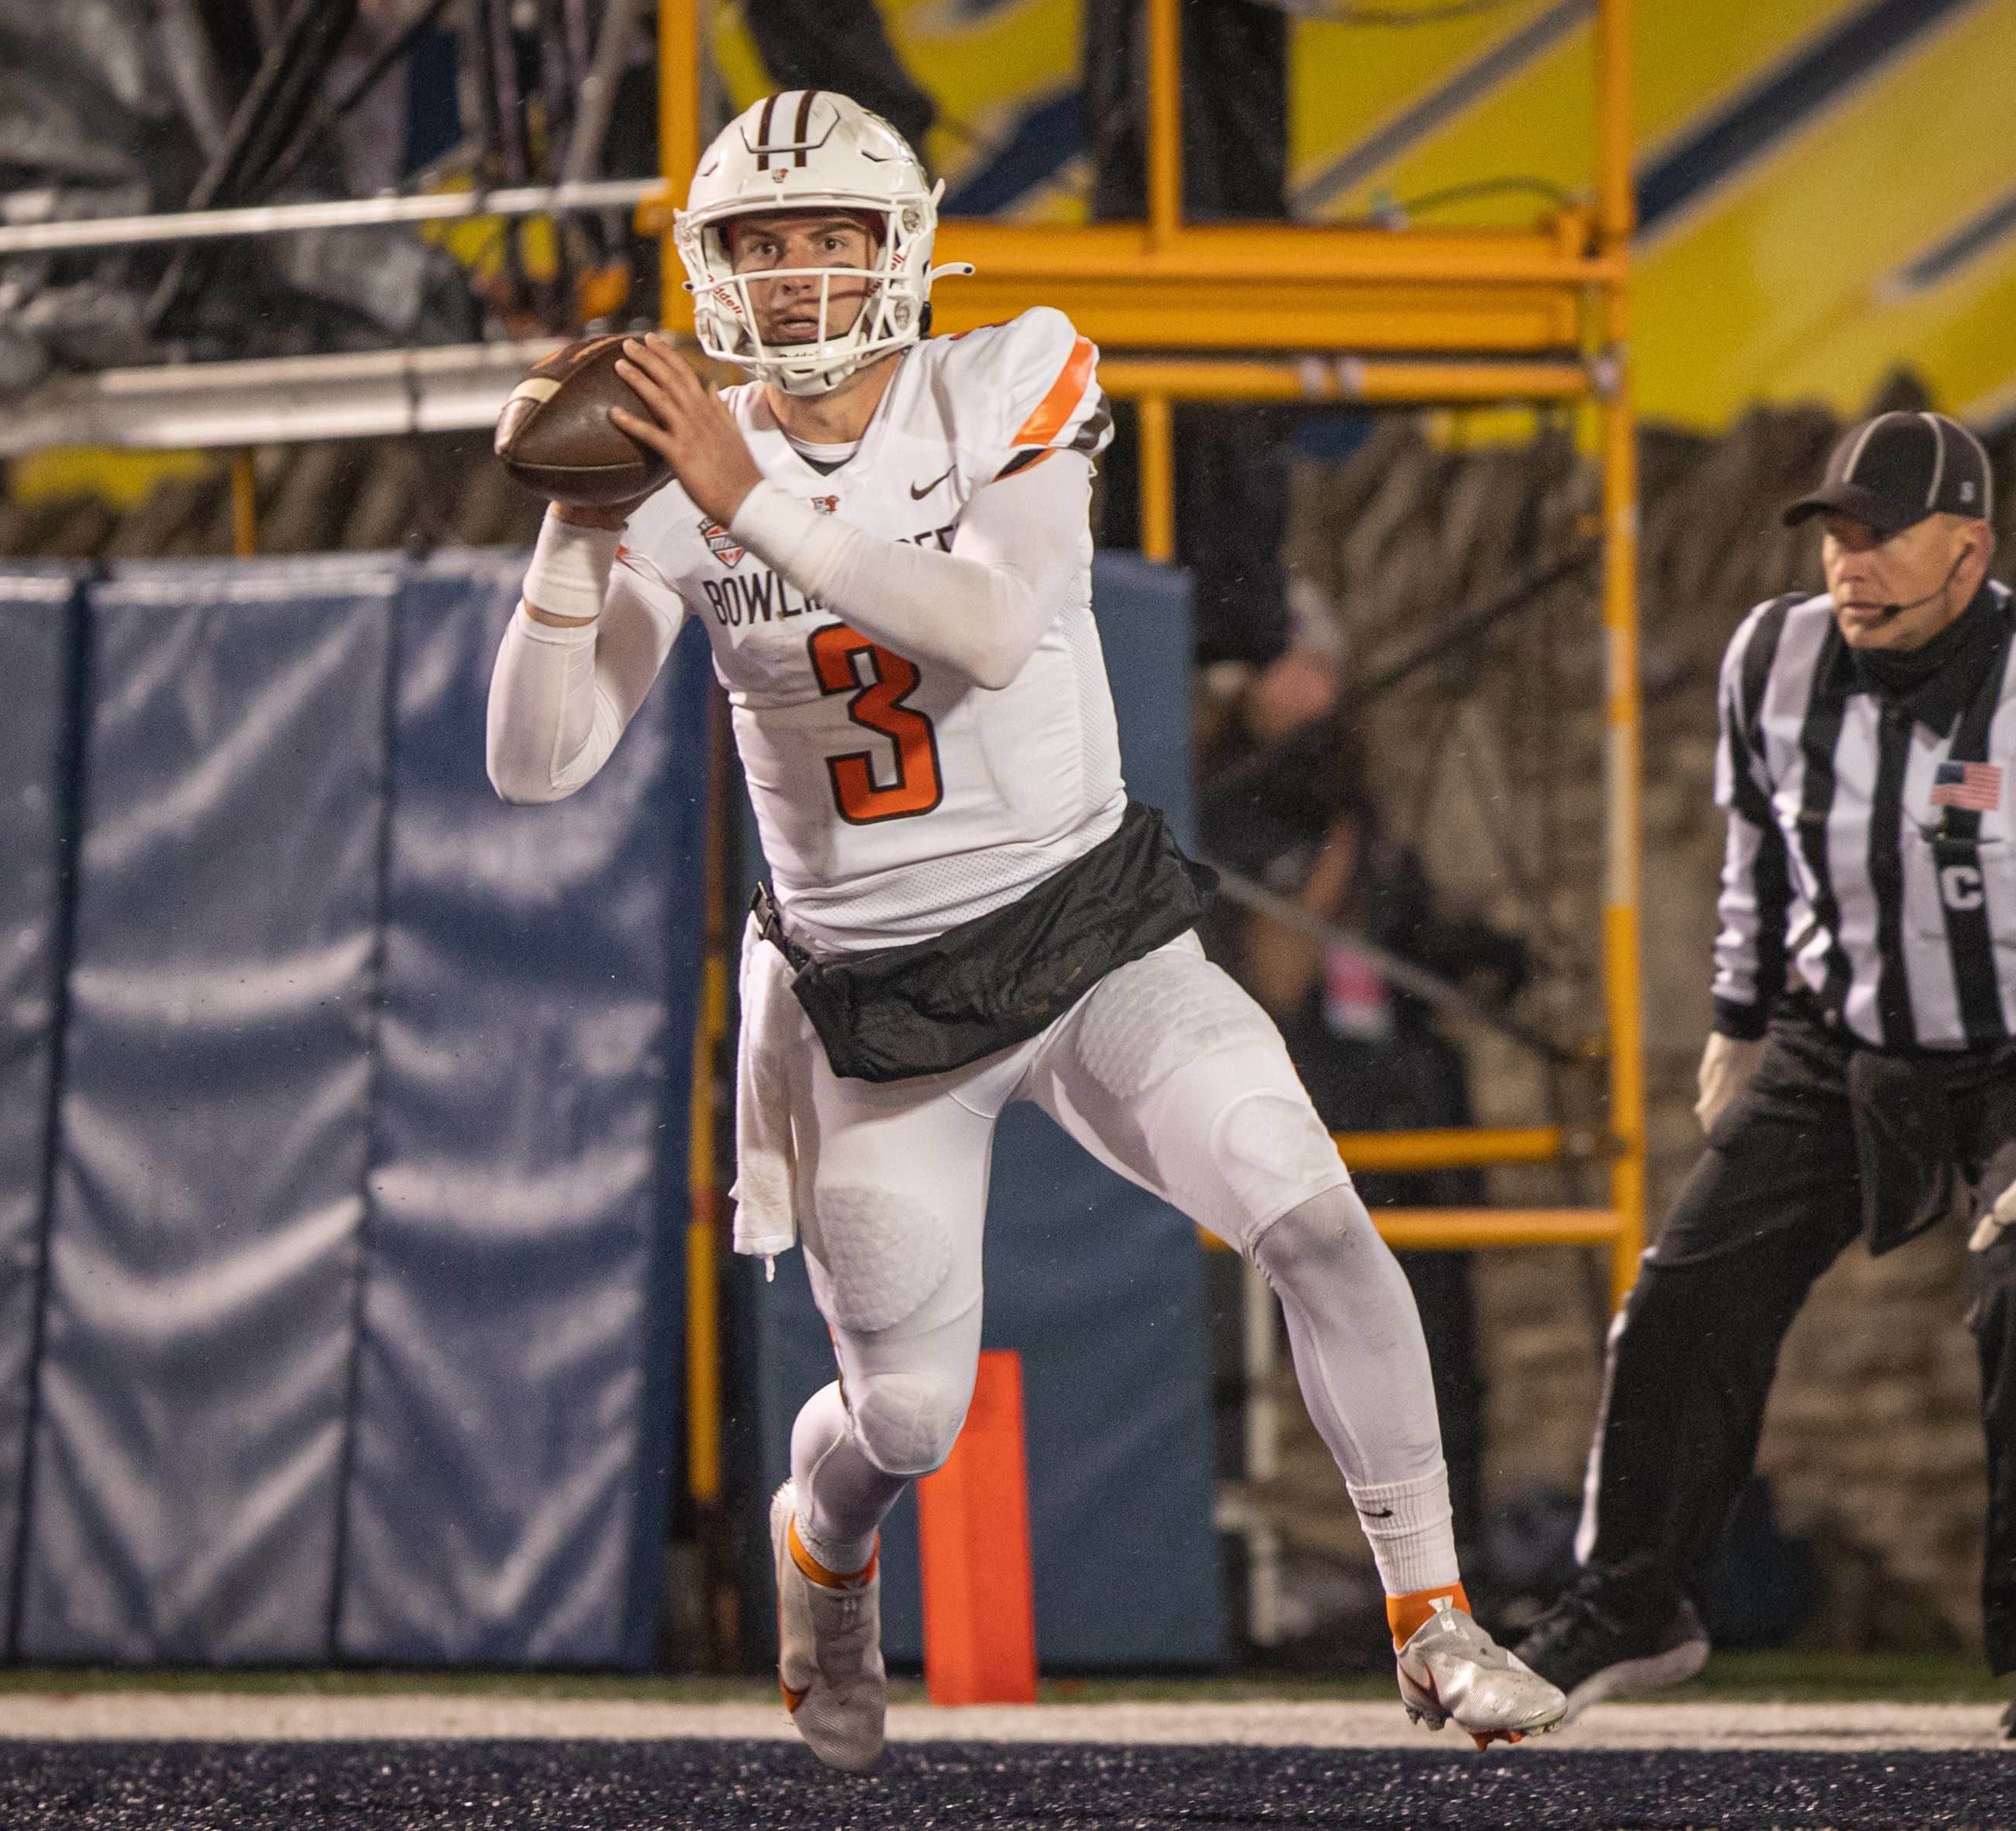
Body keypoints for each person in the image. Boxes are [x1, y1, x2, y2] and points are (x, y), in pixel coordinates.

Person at [483, 91, 1563, 1771]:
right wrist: (578, 528)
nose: (795, 278)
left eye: (828, 237)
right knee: (904, 1418)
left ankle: (1429, 1624)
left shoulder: (1005, 374)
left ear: (897, 246)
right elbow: (537, 764)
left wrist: (740, 493)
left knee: (1312, 1211)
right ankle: (815, 1548)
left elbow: (987, 627)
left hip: (1086, 935)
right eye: (761, 245)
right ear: (713, 267)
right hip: (877, 1003)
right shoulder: (679, 478)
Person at [1513, 411, 2016, 1738]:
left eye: (1883, 536)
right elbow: (1755, 857)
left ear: (1969, 546)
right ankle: (1631, 1605)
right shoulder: (1769, 657)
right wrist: (1736, 1020)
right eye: (1837, 532)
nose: (1853, 563)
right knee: (1676, 1301)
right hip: (1837, 1042)